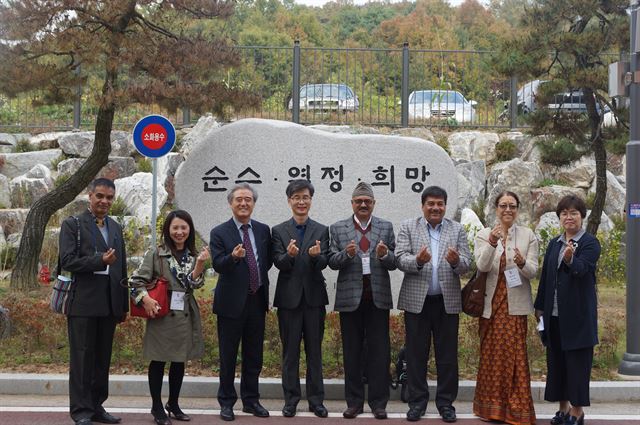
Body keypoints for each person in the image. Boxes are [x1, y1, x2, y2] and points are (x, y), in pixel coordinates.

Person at [396, 186, 471, 423]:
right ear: (423, 206)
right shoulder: (409, 226)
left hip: (446, 302)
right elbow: (399, 257)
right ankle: (417, 402)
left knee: (447, 356)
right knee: (416, 354)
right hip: (417, 302)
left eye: (440, 204)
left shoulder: (456, 229)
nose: (435, 208)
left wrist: (457, 260)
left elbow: (467, 264)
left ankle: (446, 403)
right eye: (431, 204)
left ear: (445, 206)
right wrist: (417, 260)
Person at [129, 210, 210, 425]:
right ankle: (157, 406)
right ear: (168, 230)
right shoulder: (156, 254)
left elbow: (195, 284)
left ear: (190, 230)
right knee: (158, 360)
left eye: (184, 227)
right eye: (175, 227)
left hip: (184, 312)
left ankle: (173, 403)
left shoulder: (194, 256)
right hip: (162, 313)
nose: (180, 232)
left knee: (179, 360)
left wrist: (201, 264)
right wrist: (145, 299)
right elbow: (135, 281)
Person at [59, 178, 128, 425]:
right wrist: (99, 261)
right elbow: (67, 261)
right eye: (100, 196)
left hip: (109, 304)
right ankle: (81, 411)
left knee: (102, 359)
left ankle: (97, 406)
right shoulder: (73, 224)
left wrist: (123, 305)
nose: (104, 201)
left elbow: (122, 268)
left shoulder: (116, 227)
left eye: (109, 197)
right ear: (90, 196)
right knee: (82, 358)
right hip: (83, 304)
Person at [328, 182, 397, 420]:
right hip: (350, 300)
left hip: (378, 298)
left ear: (374, 203)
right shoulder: (338, 228)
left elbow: (394, 261)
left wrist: (385, 255)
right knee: (352, 352)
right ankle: (354, 402)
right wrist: (345, 255)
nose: (363, 204)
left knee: (380, 353)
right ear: (352, 204)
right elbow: (332, 261)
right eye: (359, 201)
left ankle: (379, 403)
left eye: (367, 201)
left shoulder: (385, 227)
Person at [472, 191, 539, 425]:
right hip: (491, 307)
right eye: (503, 205)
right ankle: (491, 409)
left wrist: (521, 263)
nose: (507, 210)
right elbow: (481, 265)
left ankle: (516, 410)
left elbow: (533, 271)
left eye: (512, 206)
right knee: (491, 357)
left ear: (518, 209)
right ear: (496, 208)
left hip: (515, 307)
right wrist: (492, 242)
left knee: (516, 357)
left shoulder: (528, 235)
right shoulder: (483, 234)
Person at [534, 195, 601, 425]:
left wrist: (572, 260)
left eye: (574, 213)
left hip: (578, 318)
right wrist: (540, 308)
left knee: (577, 367)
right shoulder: (554, 243)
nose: (569, 217)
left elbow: (583, 269)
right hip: (553, 317)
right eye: (564, 213)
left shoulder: (590, 243)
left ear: (582, 216)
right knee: (558, 366)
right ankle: (563, 409)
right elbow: (546, 278)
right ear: (559, 217)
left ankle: (577, 411)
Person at [210, 183, 272, 422]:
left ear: (253, 203)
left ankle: (251, 400)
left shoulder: (263, 230)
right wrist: (233, 258)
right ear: (231, 203)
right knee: (228, 356)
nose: (244, 203)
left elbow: (263, 263)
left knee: (254, 355)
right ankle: (226, 402)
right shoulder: (220, 232)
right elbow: (217, 264)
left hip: (256, 300)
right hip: (230, 304)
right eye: (239, 200)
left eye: (248, 199)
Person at [272, 179, 329, 418]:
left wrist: (316, 257)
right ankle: (291, 400)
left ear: (310, 200)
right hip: (289, 301)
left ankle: (316, 401)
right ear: (289, 201)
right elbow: (278, 262)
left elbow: (325, 262)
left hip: (314, 300)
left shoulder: (321, 229)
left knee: (314, 353)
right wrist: (289, 255)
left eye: (305, 197)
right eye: (296, 197)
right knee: (290, 353)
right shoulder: (278, 230)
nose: (301, 201)